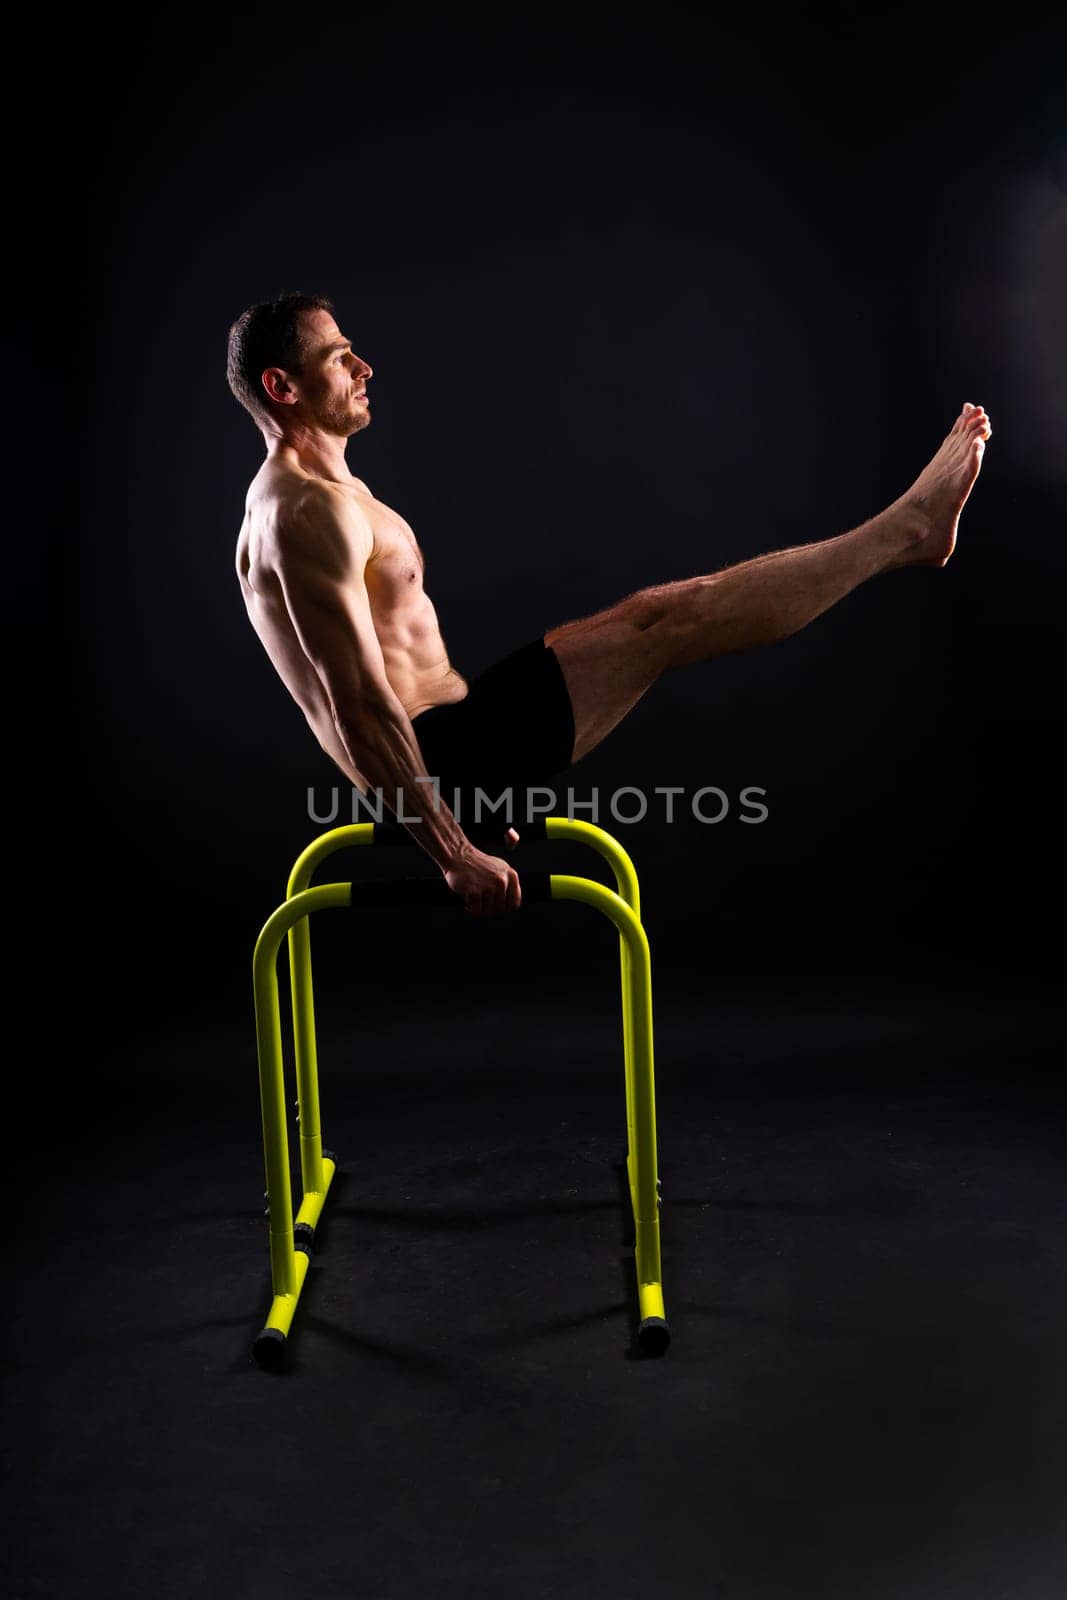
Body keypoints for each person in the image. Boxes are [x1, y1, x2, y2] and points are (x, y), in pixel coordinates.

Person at [228, 291, 992, 918]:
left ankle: (909, 533)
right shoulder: (303, 510)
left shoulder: (328, 496)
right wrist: (453, 850)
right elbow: (356, 703)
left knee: (650, 619)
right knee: (662, 620)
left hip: (456, 755)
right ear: (281, 386)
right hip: (444, 766)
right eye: (337, 358)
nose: (364, 367)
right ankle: (907, 531)